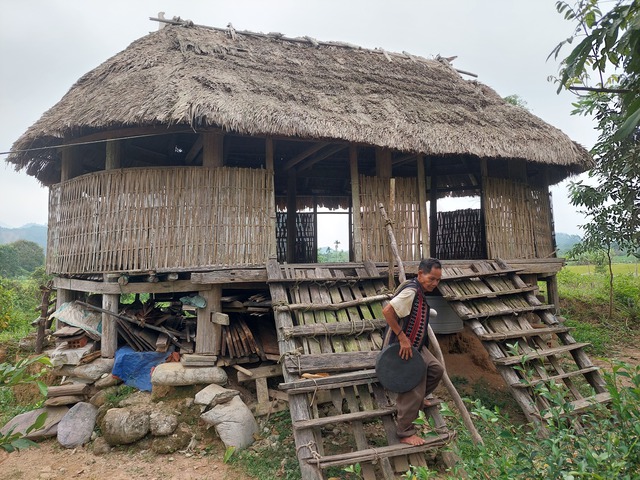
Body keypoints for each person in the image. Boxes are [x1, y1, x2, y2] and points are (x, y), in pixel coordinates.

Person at [381, 258, 445, 446]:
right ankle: (405, 431)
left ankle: (419, 399)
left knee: (435, 369)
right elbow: (387, 312)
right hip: (399, 347)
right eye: (431, 278)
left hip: (415, 345)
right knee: (416, 382)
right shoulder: (411, 291)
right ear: (420, 274)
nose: (434, 283)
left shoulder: (419, 291)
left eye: (437, 280)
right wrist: (401, 337)